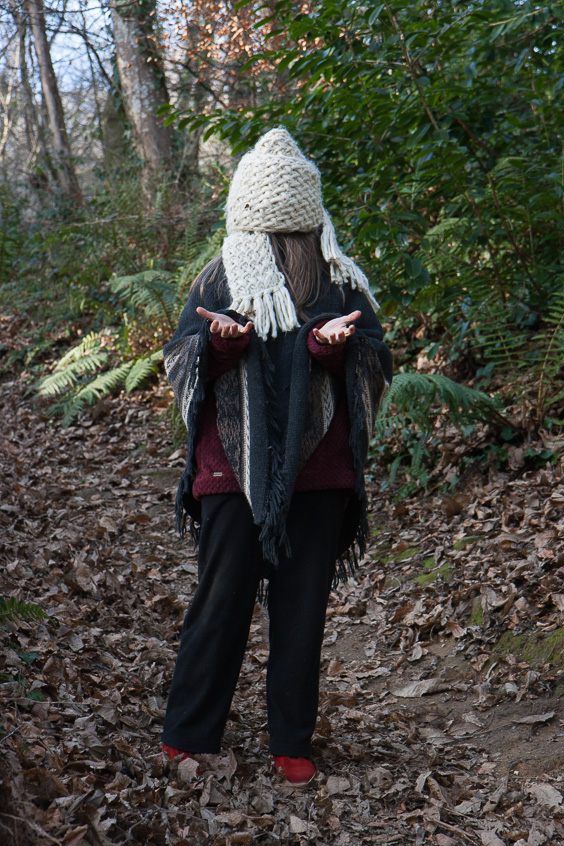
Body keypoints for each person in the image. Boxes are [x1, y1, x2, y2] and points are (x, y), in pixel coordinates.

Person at [160, 128, 393, 785]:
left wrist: (332, 351)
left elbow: (376, 360)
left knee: (290, 608)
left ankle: (278, 743)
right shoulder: (222, 272)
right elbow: (183, 356)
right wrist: (224, 344)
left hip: (315, 473)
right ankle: (195, 733)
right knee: (229, 602)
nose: (283, 245)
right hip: (232, 470)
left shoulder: (341, 278)